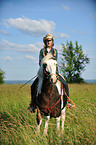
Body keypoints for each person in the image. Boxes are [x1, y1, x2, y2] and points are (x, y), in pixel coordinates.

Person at [29, 34, 74, 112]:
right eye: (47, 40)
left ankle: (68, 100)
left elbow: (54, 61)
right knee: (33, 86)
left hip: (53, 72)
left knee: (65, 84)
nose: (48, 42)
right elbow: (40, 62)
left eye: (49, 40)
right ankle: (33, 104)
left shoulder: (55, 51)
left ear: (52, 42)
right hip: (44, 72)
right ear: (45, 42)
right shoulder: (42, 51)